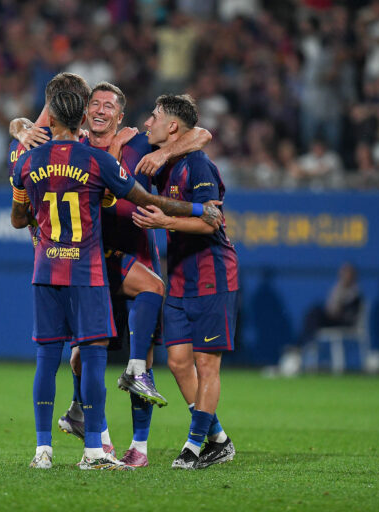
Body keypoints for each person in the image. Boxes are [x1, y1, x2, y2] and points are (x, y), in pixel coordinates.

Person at [10, 90, 221, 470]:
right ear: (84, 112)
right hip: (90, 263)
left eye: (110, 105)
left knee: (140, 350)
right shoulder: (80, 148)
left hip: (130, 256)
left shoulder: (139, 142)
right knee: (80, 357)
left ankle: (138, 443)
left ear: (122, 116)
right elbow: (24, 127)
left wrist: (160, 154)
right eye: (95, 103)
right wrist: (19, 127)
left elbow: (201, 134)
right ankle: (100, 439)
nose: (101, 110)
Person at [132, 94, 238, 470]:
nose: (147, 122)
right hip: (178, 275)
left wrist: (165, 223)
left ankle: (195, 445)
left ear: (172, 127)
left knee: (206, 365)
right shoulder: (159, 163)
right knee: (178, 362)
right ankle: (219, 438)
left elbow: (211, 220)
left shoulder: (198, 165)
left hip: (211, 274)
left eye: (154, 116)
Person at [297, 262, 363, 346]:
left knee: (316, 313)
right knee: (314, 313)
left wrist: (337, 311)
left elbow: (346, 315)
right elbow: (330, 307)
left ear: (353, 276)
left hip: (343, 323)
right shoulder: (338, 289)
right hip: (332, 319)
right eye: (343, 273)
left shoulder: (356, 295)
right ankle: (305, 344)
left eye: (347, 274)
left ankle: (303, 345)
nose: (344, 276)